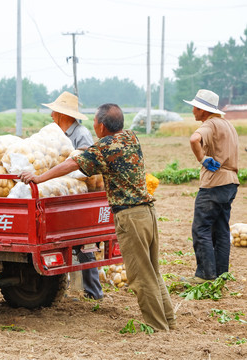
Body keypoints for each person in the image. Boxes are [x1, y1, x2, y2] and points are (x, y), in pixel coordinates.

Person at [20, 103, 176, 331]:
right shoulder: (131, 138)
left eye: (94, 122)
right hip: (148, 213)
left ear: (101, 126)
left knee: (141, 277)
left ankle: (158, 328)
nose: (93, 126)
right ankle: (169, 321)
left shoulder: (105, 147)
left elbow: (73, 163)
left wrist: (39, 178)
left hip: (130, 216)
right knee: (152, 270)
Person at [43, 91, 102, 300]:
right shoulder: (57, 134)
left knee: (84, 247)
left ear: (62, 114)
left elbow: (81, 166)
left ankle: (94, 293)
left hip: (77, 198)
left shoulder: (81, 134)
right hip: (60, 196)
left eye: (54, 112)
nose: (51, 116)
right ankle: (67, 290)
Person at [183, 89, 239, 284]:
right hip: (231, 183)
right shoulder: (227, 124)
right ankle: (221, 274)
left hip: (214, 184)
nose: (192, 111)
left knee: (201, 229)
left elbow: (194, 139)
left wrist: (202, 158)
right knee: (222, 229)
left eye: (194, 107)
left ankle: (205, 275)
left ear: (202, 110)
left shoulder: (210, 124)